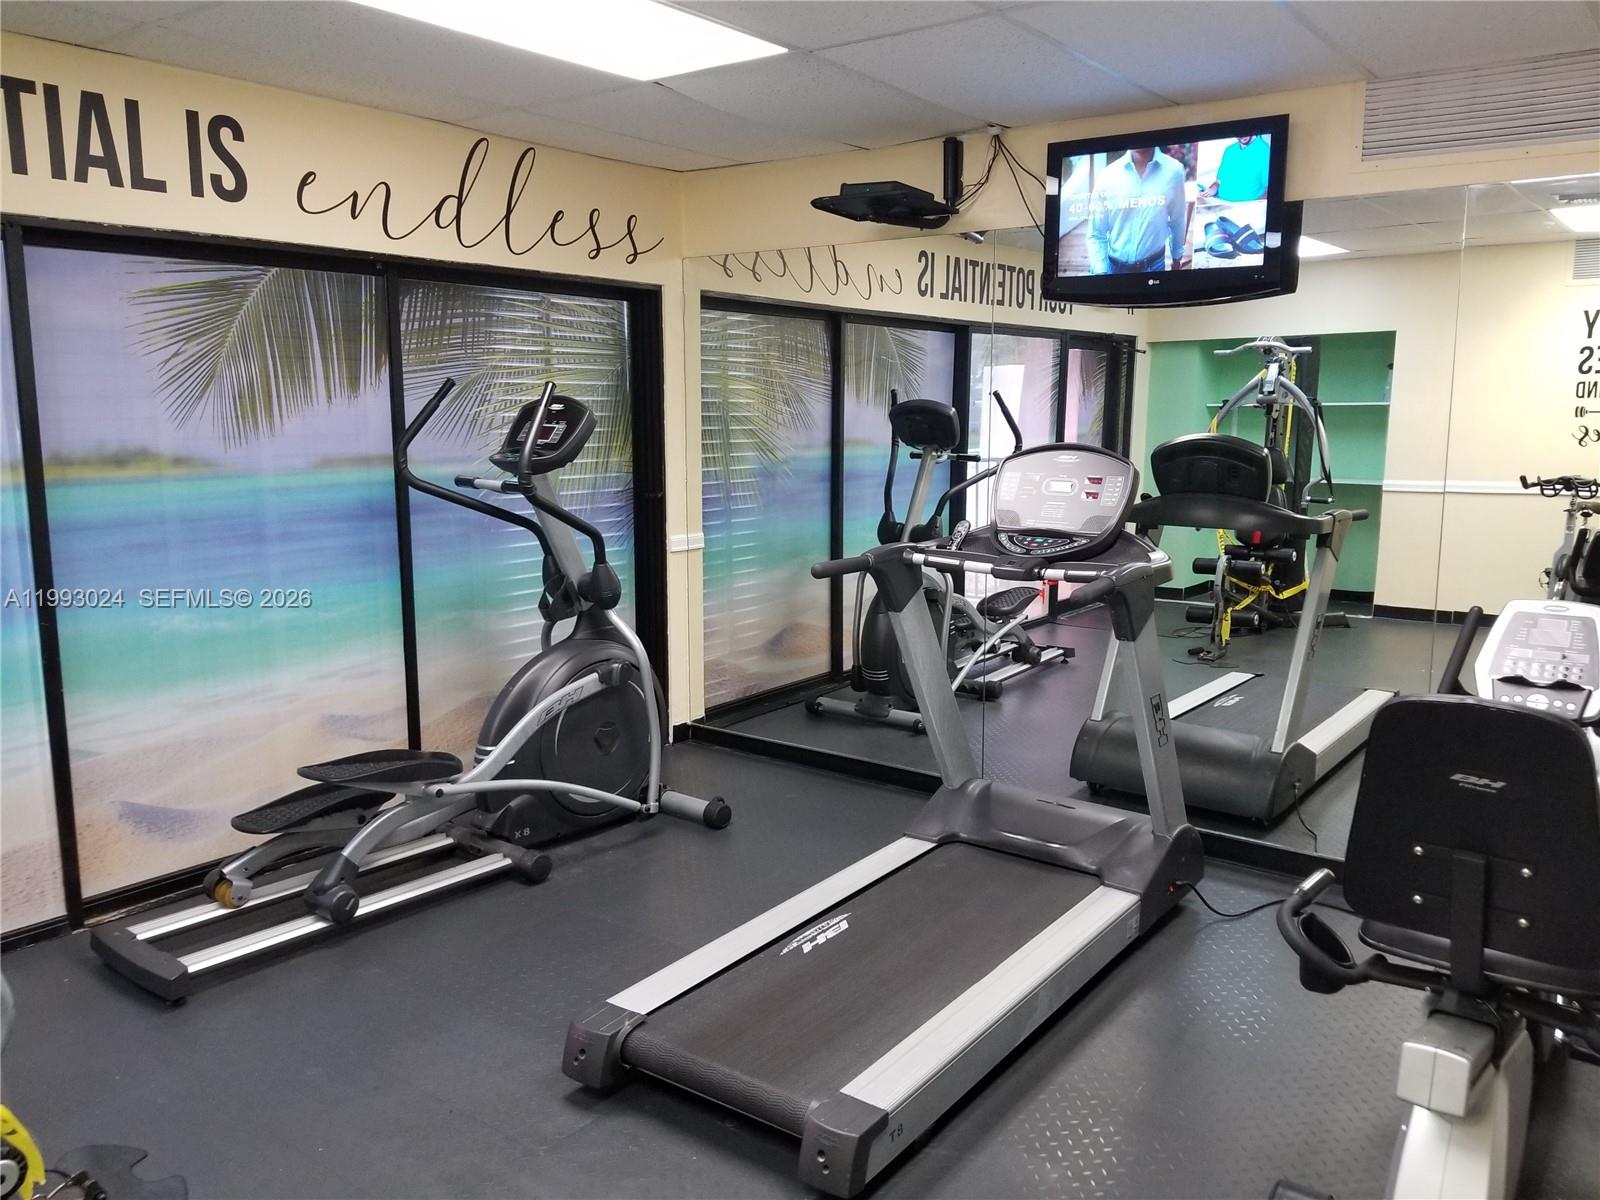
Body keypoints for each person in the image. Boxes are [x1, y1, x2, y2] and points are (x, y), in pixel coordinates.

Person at [1083, 147, 1190, 275]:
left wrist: (1177, 258)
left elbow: (1177, 219)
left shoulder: (1174, 171)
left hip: (1154, 268)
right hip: (1113, 269)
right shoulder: (1107, 175)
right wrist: (1101, 272)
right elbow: (1096, 233)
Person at [1205, 134, 1271, 202]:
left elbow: (1269, 188)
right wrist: (1211, 190)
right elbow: (1218, 182)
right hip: (1219, 200)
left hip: (1246, 204)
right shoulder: (1229, 150)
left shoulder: (1264, 150)